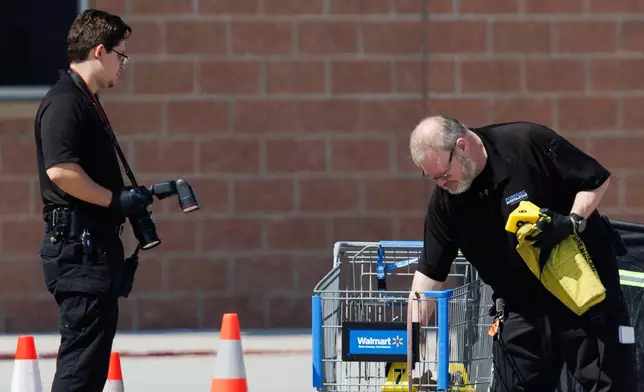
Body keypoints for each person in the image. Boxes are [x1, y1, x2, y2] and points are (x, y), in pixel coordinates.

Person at [406, 116, 637, 391]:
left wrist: (571, 222)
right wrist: (413, 348)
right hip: (520, 307)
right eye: (432, 178)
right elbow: (429, 275)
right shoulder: (446, 203)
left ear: (462, 146)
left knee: (609, 383)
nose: (441, 183)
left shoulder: (526, 143)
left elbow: (595, 179)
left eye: (443, 174)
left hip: (582, 291)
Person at [33, 9, 153, 392]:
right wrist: (113, 201)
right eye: (122, 55)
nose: (124, 65)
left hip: (93, 253)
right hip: (79, 253)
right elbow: (61, 171)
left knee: (89, 368)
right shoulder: (65, 102)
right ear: (99, 51)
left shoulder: (84, 100)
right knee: (79, 372)